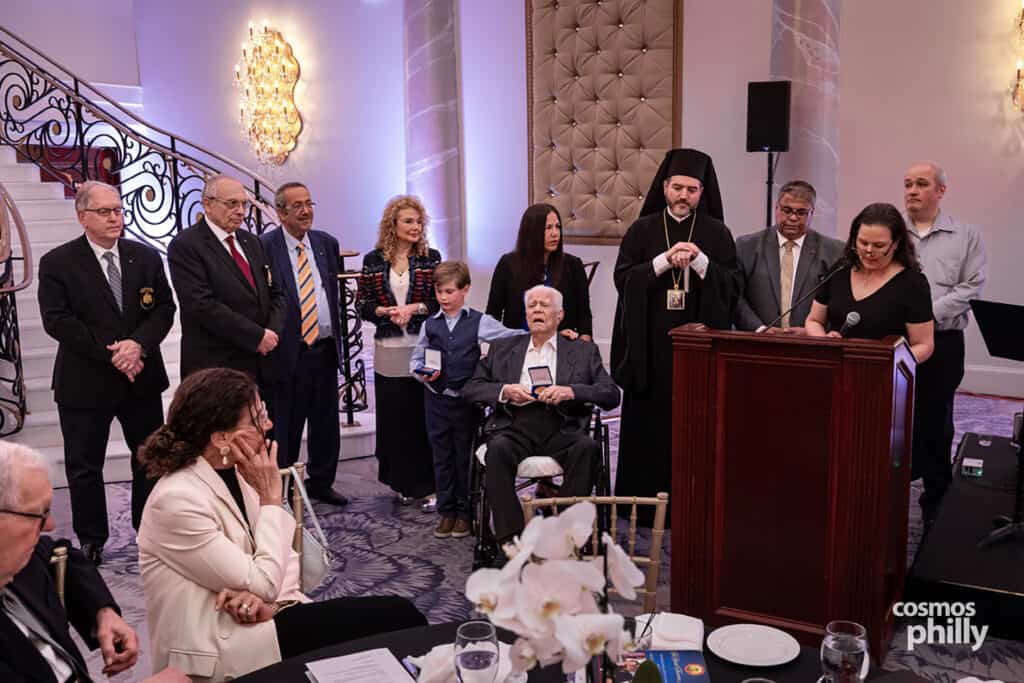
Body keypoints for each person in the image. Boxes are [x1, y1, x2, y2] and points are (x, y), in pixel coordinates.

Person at [137, 368, 426, 682]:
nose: (269, 425)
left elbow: (287, 565)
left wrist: (265, 600)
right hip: (219, 648)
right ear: (221, 437)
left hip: (266, 617)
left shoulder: (236, 470)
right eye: (259, 419)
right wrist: (271, 499)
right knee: (399, 617)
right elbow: (264, 579)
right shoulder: (177, 499)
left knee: (398, 619)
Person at [37, 180, 175, 564]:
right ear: (82, 217)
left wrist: (137, 346)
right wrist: (111, 352)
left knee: (149, 457)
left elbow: (164, 309)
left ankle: (148, 528)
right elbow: (57, 320)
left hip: (141, 376)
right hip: (84, 381)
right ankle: (92, 538)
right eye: (105, 211)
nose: (115, 218)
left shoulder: (145, 257)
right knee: (85, 466)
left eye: (118, 210)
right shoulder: (58, 263)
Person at [610, 148, 738, 520]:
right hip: (649, 350)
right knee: (647, 431)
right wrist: (664, 260)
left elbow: (731, 287)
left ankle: (692, 510)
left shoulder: (716, 233)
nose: (684, 196)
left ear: (702, 192)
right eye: (677, 187)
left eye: (692, 190)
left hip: (696, 354)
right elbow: (624, 280)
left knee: (692, 430)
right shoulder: (642, 230)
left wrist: (699, 261)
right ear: (664, 187)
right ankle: (641, 510)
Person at [0, 441, 186, 683]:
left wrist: (102, 612)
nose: (50, 526)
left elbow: (59, 553)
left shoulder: (17, 559)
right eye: (40, 513)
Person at [462, 285, 620, 543]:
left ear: (560, 315)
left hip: (563, 425)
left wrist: (571, 391)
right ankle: (511, 539)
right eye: (532, 305)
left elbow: (611, 394)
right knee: (497, 450)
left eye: (544, 305)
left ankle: (564, 535)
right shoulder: (502, 348)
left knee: (588, 448)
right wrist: (505, 390)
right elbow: (471, 389)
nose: (536, 309)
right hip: (514, 425)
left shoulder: (582, 351)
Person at [410, 261, 527, 539]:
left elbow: (511, 336)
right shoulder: (430, 324)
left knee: (465, 456)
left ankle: (464, 513)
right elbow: (416, 359)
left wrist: (546, 332)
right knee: (441, 456)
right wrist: (421, 375)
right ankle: (446, 511)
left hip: (465, 401)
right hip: (436, 400)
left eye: (450, 291)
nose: (444, 298)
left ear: (465, 290)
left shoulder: (479, 321)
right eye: (439, 292)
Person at [903, 162, 987, 522]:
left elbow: (971, 288)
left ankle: (936, 504)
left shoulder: (966, 234)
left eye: (921, 184)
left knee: (937, 421)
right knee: (896, 420)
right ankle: (892, 490)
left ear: (940, 191)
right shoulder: (893, 232)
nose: (912, 190)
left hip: (944, 342)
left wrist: (923, 317)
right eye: (907, 184)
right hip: (898, 343)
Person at [259, 182, 348, 506]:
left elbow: (332, 294)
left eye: (309, 203)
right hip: (287, 351)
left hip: (323, 348)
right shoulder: (264, 246)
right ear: (280, 211)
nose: (306, 210)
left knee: (326, 422)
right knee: (286, 424)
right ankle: (284, 484)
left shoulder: (326, 243)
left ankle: (322, 482)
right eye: (297, 205)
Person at [357, 195, 440, 506]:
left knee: (422, 416)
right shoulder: (374, 259)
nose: (415, 226)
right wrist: (384, 312)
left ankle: (427, 482)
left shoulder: (431, 257)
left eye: (419, 221)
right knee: (396, 418)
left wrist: (413, 309)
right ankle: (402, 482)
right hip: (388, 349)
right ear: (392, 224)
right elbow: (363, 304)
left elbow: (437, 301)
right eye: (408, 221)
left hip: (422, 347)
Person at [167, 175, 285, 393]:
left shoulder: (252, 241)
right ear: (207, 204)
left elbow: (276, 292)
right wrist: (256, 336)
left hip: (262, 360)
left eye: (244, 204)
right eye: (232, 204)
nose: (240, 211)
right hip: (216, 366)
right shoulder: (186, 245)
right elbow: (202, 305)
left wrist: (271, 332)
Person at [806, 203, 934, 365]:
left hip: (883, 377)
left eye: (878, 245)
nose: (868, 250)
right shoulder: (840, 270)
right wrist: (825, 342)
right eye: (862, 242)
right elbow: (814, 320)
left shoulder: (912, 284)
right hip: (835, 370)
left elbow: (924, 345)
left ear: (896, 244)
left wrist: (888, 362)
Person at [734, 180, 845, 332]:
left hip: (811, 347)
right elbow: (734, 297)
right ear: (776, 208)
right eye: (787, 210)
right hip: (757, 342)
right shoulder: (746, 246)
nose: (793, 218)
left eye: (801, 213)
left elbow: (839, 304)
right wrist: (760, 329)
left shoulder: (834, 251)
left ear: (812, 213)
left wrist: (812, 331)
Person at [485, 203, 594, 339]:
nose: (555, 233)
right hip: (518, 347)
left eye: (557, 227)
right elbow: (492, 316)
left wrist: (583, 347)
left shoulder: (573, 265)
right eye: (548, 228)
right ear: (531, 231)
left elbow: (584, 316)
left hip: (562, 347)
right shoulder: (508, 265)